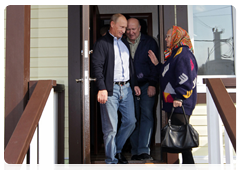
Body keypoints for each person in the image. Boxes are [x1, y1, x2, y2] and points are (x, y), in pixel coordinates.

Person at [91, 13, 141, 170]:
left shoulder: (124, 43)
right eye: (122, 27)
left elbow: (129, 67)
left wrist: (134, 84)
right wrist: (102, 88)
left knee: (131, 121)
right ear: (112, 24)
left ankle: (117, 150)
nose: (124, 30)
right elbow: (97, 67)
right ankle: (111, 160)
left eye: (126, 28)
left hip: (126, 88)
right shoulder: (102, 43)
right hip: (110, 89)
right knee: (110, 128)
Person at [148, 25, 198, 170]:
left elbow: (187, 78)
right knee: (181, 135)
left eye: (168, 36)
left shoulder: (183, 55)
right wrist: (158, 64)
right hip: (175, 101)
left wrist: (180, 97)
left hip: (180, 102)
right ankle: (188, 166)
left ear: (177, 37)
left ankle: (189, 166)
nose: (165, 39)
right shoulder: (175, 54)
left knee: (182, 135)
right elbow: (168, 73)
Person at [125, 18, 159, 160]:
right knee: (132, 118)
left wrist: (152, 84)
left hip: (146, 85)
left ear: (139, 28)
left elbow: (154, 65)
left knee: (146, 115)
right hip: (128, 86)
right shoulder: (121, 42)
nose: (131, 32)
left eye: (134, 29)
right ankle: (135, 151)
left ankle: (144, 150)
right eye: (128, 29)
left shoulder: (149, 42)